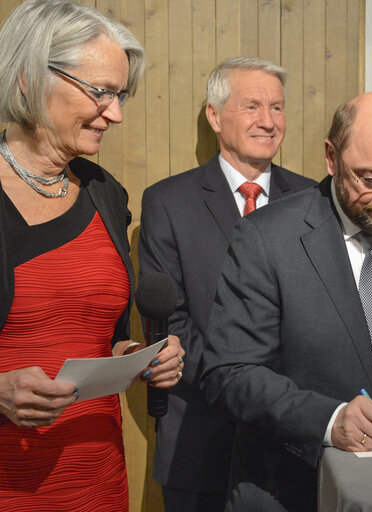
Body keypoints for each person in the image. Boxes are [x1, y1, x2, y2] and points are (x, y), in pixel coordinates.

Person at [201, 91, 372, 511]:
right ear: (332, 158)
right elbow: (229, 372)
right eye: (371, 179)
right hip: (293, 490)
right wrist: (329, 421)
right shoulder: (267, 238)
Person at [0, 1, 184, 510]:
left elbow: (103, 336)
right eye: (101, 92)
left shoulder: (107, 193)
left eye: (121, 94)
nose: (116, 113)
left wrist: (136, 359)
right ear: (26, 78)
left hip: (96, 481)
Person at [138, 57, 316, 512]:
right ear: (214, 116)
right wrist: (242, 388)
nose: (268, 121)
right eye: (252, 106)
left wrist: (284, 403)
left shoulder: (315, 200)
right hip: (200, 438)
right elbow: (170, 320)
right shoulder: (168, 202)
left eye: (277, 108)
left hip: (296, 442)